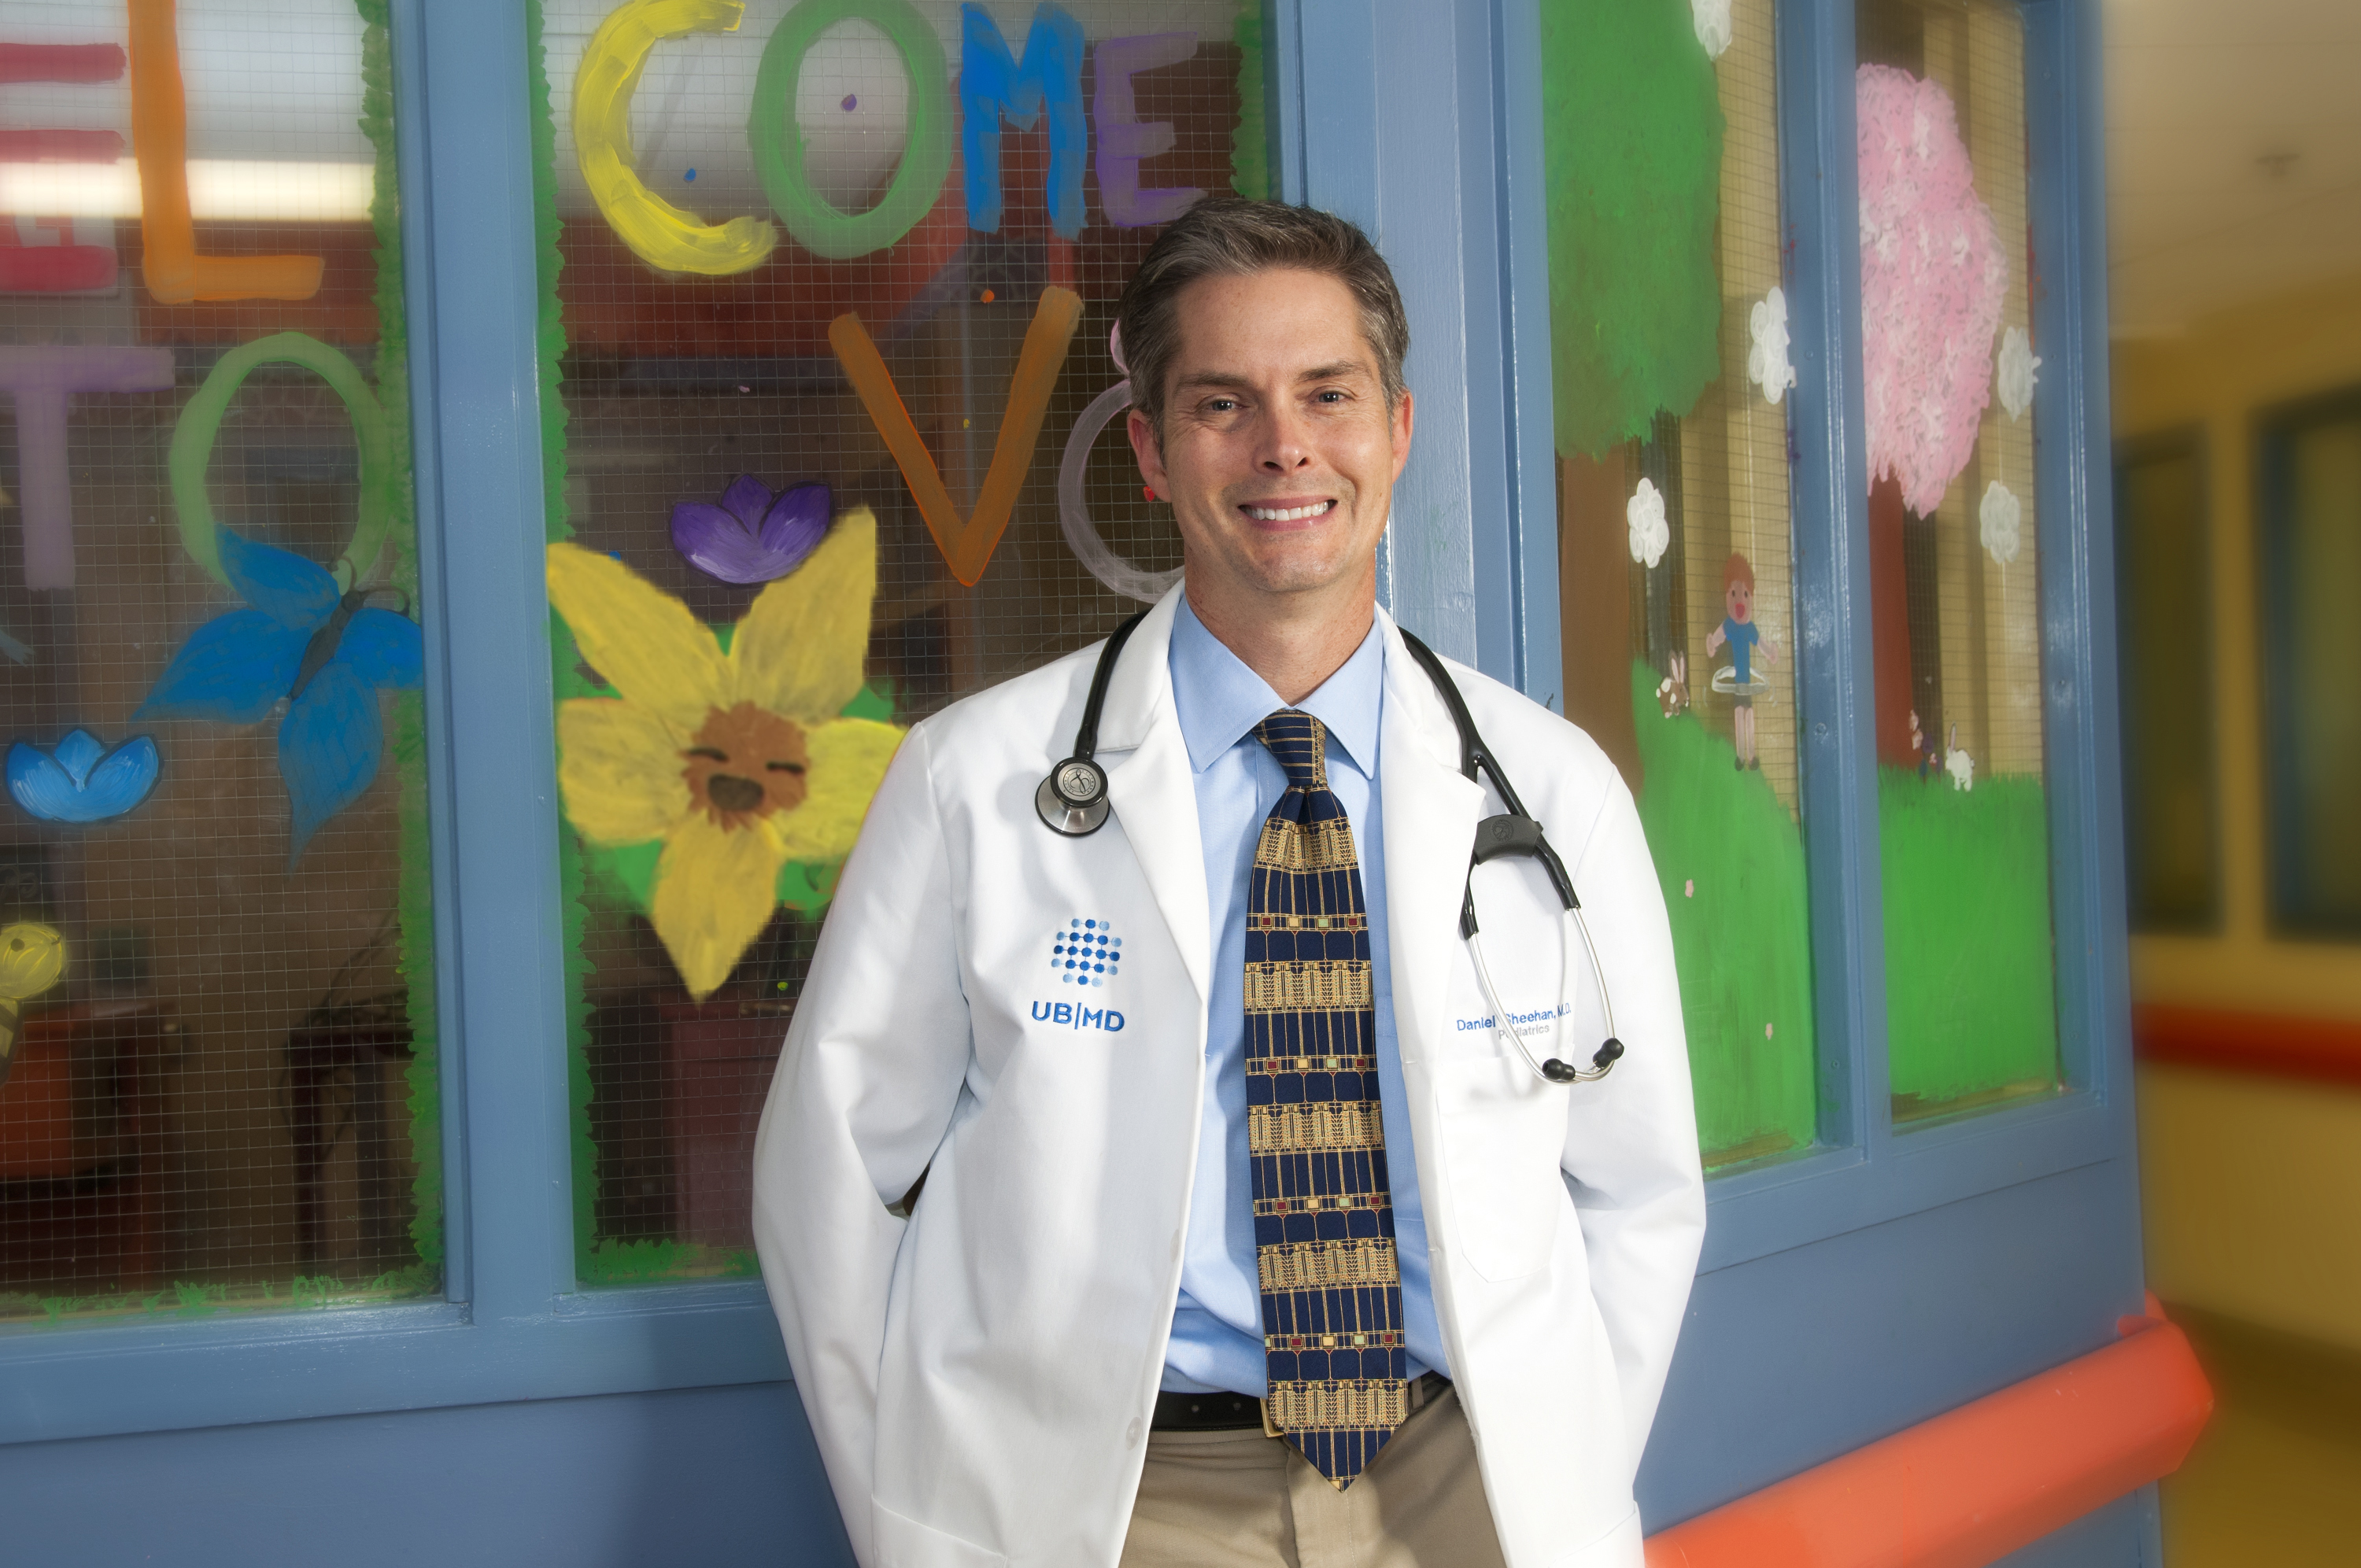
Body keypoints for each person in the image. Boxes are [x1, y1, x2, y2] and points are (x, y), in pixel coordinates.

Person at [753, 198, 1704, 1568]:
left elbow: (1639, 1193)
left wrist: (1562, 1475)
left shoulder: (1554, 793)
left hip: (1468, 1491)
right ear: (1149, 449)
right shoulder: (974, 785)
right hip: (1114, 1505)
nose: (1284, 446)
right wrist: (918, 1523)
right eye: (1221, 403)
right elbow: (828, 1181)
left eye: (1329, 393)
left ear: (1398, 429)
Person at [1705, 551, 1778, 771]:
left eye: (1745, 594)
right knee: (1739, 715)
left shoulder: (1750, 628)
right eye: (1734, 593)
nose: (1739, 602)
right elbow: (1718, 637)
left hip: (1746, 681)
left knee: (1749, 715)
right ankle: (1740, 757)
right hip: (1737, 682)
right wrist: (1712, 643)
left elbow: (1761, 644)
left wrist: (1770, 652)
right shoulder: (1730, 625)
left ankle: (1752, 756)